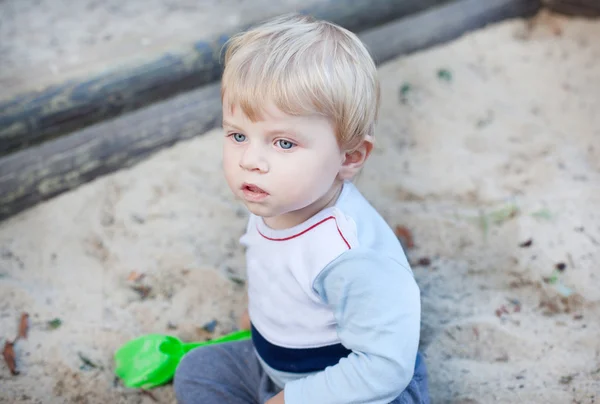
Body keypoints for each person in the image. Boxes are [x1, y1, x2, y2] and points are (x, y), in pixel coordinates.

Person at [174, 13, 430, 404]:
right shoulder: (274, 195)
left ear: (350, 156)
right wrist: (261, 314)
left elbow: (385, 368)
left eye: (284, 143)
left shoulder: (347, 255)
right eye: (238, 135)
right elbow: (273, 263)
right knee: (198, 370)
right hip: (279, 368)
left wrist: (295, 399)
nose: (251, 160)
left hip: (358, 387)